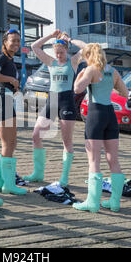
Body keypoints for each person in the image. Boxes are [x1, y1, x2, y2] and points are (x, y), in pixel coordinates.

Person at [24, 30, 85, 187]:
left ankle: (64, 177)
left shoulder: (72, 62)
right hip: (52, 100)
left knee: (67, 141)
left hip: (67, 102)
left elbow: (87, 47)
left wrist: (70, 39)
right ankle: (38, 173)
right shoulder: (50, 62)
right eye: (56, 53)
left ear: (66, 50)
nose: (58, 55)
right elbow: (34, 46)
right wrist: (51, 36)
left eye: (61, 53)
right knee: (36, 135)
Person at [72, 43, 128, 213]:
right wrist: (109, 86)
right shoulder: (113, 71)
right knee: (114, 160)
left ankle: (93, 203)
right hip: (110, 115)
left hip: (95, 115)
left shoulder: (90, 70)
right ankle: (115, 202)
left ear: (89, 55)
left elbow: (77, 89)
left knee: (94, 160)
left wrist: (80, 74)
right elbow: (125, 94)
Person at [0, 29, 27, 195]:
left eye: (18, 41)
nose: (16, 44)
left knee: (12, 142)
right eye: (13, 41)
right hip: (1, 99)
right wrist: (11, 79)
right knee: (8, 143)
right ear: (5, 42)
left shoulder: (10, 59)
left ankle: (0, 181)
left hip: (6, 98)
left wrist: (14, 86)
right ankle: (8, 184)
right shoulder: (2, 57)